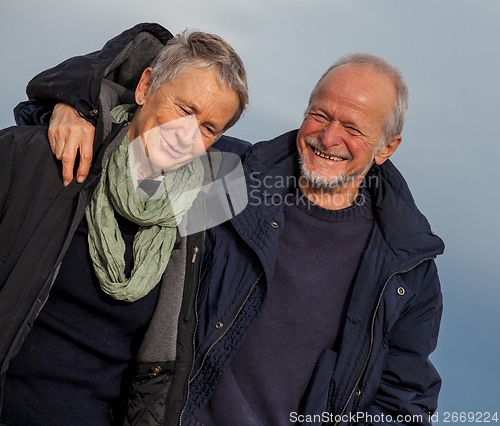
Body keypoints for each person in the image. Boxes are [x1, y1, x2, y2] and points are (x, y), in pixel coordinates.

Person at [15, 27, 445, 425]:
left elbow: (405, 397)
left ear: (387, 147)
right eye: (320, 115)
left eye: (352, 128)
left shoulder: (407, 265)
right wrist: (74, 105)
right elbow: (147, 108)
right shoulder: (229, 174)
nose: (328, 138)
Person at [0, 23, 249, 425]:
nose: (187, 135)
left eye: (208, 128)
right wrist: (66, 99)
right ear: (145, 86)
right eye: (184, 109)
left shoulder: (197, 217)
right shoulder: (34, 156)